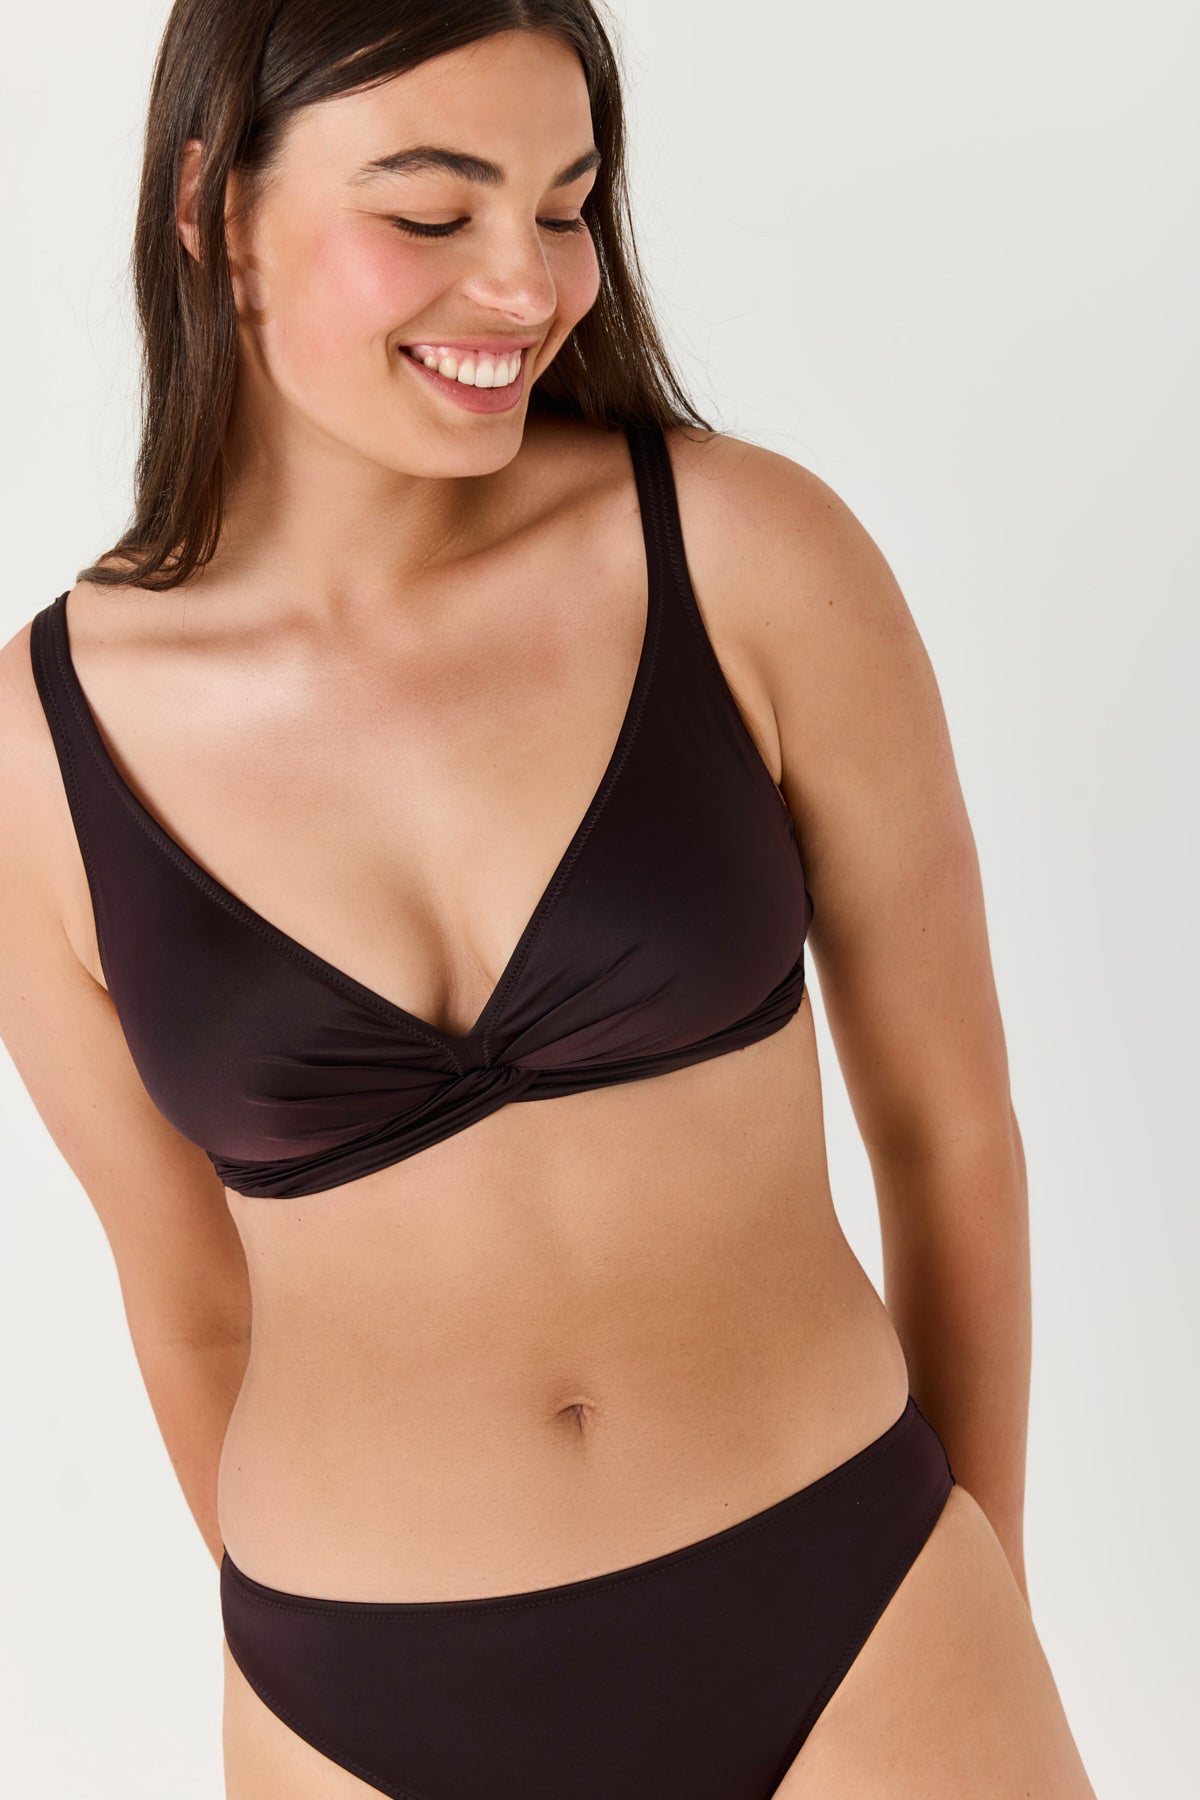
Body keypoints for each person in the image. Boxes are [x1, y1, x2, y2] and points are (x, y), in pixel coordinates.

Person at [0, 5, 1098, 1796]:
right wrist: (333, 1652)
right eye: (432, 213)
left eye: (568, 205)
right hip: (362, 1708)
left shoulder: (747, 556)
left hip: (863, 1624)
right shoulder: (38, 753)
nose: (525, 285)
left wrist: (981, 1577)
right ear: (212, 210)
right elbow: (187, 1291)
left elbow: (951, 1130)